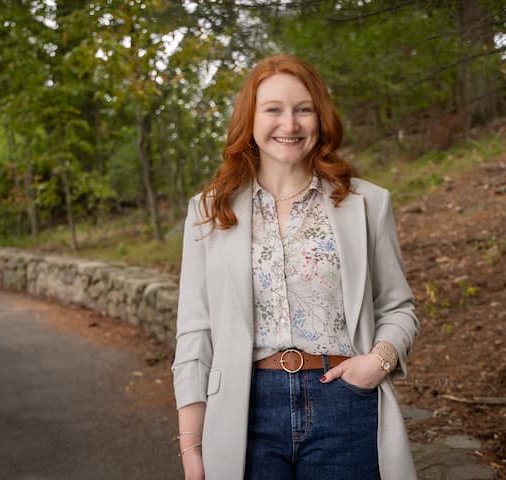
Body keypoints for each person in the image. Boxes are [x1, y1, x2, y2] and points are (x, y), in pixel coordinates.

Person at [171, 54, 419, 480]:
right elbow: (195, 333)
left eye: (303, 109)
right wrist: (192, 445)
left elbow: (399, 308)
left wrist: (377, 362)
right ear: (250, 120)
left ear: (320, 118)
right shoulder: (209, 211)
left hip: (344, 402)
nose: (289, 124)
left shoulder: (367, 204)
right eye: (273, 110)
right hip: (244, 412)